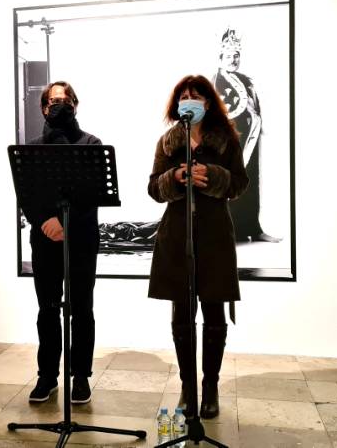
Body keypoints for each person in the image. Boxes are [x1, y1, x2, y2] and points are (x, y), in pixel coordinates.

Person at [148, 75, 249, 419]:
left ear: (208, 102)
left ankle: (211, 386)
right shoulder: (168, 143)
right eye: (183, 96)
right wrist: (175, 178)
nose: (189, 101)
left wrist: (214, 176)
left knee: (214, 314)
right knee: (181, 316)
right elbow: (153, 188)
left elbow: (240, 183)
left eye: (196, 95)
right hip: (177, 235)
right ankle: (187, 386)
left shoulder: (226, 140)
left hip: (215, 235)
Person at [20, 81, 101, 405]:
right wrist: (46, 221)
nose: (60, 105)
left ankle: (80, 376)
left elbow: (93, 194)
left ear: (75, 105)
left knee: (82, 309)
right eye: (54, 101)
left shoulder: (90, 143)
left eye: (66, 100)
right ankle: (47, 376)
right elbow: (27, 194)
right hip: (44, 237)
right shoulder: (33, 147)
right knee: (48, 309)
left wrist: (66, 222)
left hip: (81, 237)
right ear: (43, 108)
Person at [211, 27, 279, 243]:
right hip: (231, 140)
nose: (233, 60)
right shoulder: (215, 82)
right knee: (232, 182)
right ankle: (232, 231)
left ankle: (253, 228)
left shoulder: (246, 79)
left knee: (251, 181)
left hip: (251, 138)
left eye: (236, 56)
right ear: (220, 58)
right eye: (229, 56)